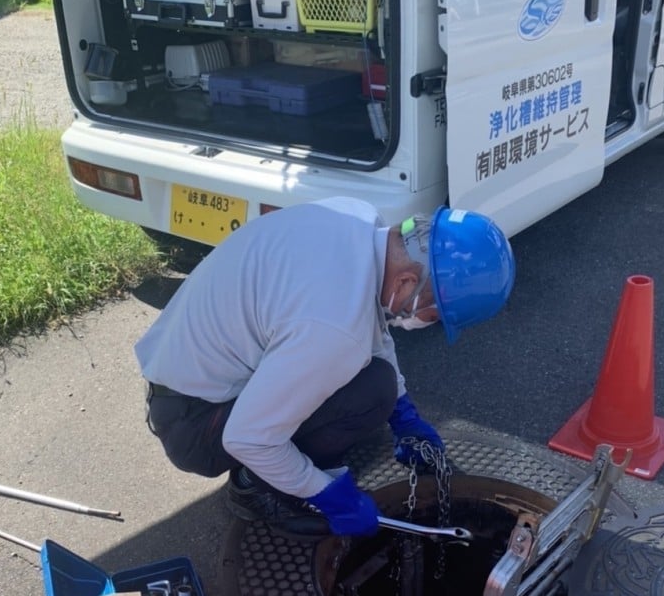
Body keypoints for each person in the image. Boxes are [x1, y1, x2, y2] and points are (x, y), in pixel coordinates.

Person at [135, 198, 515, 537]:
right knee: (368, 395)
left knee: (378, 387)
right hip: (194, 422)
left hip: (189, 368)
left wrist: (405, 416)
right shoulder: (333, 330)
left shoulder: (359, 219)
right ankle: (253, 487)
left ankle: (287, 459)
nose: (424, 321)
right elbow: (246, 438)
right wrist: (331, 496)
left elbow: (373, 328)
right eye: (433, 315)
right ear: (407, 280)